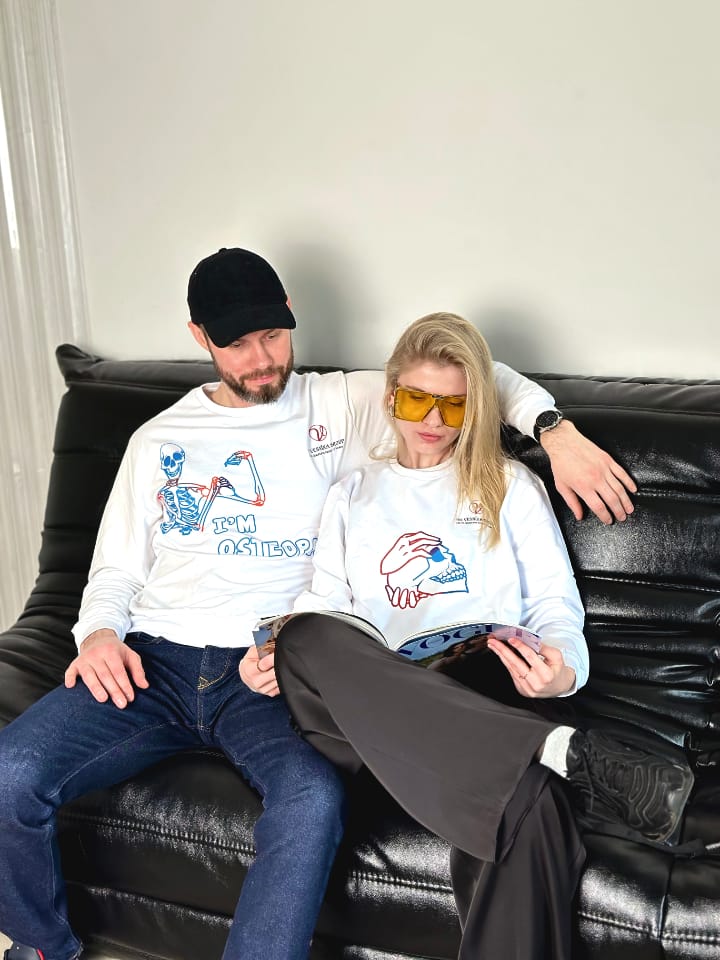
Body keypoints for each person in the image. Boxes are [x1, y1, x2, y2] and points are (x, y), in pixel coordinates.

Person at [0, 248, 638, 960]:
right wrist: (97, 635)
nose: (261, 359)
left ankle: (541, 754)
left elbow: (469, 374)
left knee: (330, 796)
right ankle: (42, 947)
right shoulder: (158, 442)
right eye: (236, 344)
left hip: (292, 675)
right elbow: (115, 573)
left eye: (273, 336)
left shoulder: (345, 403)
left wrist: (556, 432)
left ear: (290, 319)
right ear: (199, 337)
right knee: (10, 773)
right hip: (161, 661)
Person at [256, 312, 696, 959]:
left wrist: (561, 672)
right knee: (304, 641)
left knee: (529, 807)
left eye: (454, 405)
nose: (433, 420)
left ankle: (543, 753)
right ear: (390, 397)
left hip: (486, 690)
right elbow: (322, 608)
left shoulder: (510, 485)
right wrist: (269, 653)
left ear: (476, 409)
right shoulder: (353, 493)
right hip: (379, 719)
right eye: (416, 399)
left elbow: (555, 608)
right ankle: (558, 751)